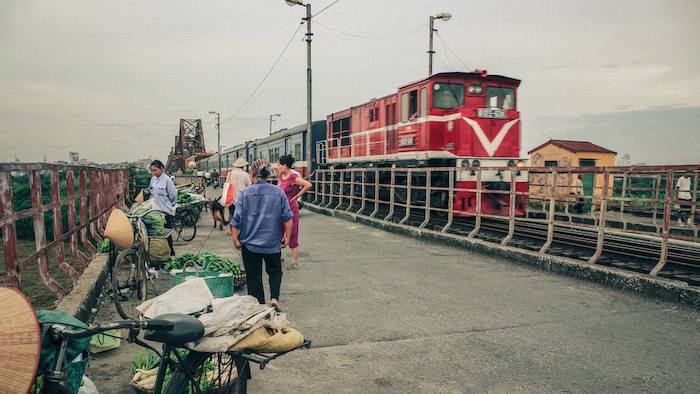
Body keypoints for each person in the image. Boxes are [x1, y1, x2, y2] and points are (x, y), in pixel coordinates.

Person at [231, 160, 293, 310]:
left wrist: (235, 238)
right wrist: (287, 237)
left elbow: (236, 219)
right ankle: (274, 299)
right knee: (275, 271)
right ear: (268, 174)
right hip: (272, 243)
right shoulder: (278, 192)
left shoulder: (244, 194)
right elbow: (288, 217)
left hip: (250, 244)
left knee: (254, 277)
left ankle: (259, 307)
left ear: (253, 174)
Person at [277, 155, 312, 269]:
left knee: (292, 233)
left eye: (279, 165)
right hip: (280, 208)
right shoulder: (281, 176)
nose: (277, 167)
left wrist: (296, 196)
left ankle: (295, 261)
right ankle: (278, 256)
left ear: (285, 165)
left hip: (291, 208)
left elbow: (308, 185)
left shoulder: (294, 177)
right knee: (278, 232)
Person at [148, 160, 177, 256]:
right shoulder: (153, 179)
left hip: (165, 212)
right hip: (155, 212)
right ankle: (160, 254)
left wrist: (171, 205)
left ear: (161, 168)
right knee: (157, 235)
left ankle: (171, 253)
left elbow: (173, 195)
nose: (153, 172)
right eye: (152, 171)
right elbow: (151, 192)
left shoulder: (167, 180)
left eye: (155, 170)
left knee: (166, 234)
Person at [224, 158, 252, 224]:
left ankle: (231, 230)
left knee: (231, 214)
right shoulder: (245, 174)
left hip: (231, 198)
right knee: (242, 215)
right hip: (242, 199)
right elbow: (250, 186)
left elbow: (226, 184)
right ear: (243, 166)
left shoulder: (230, 173)